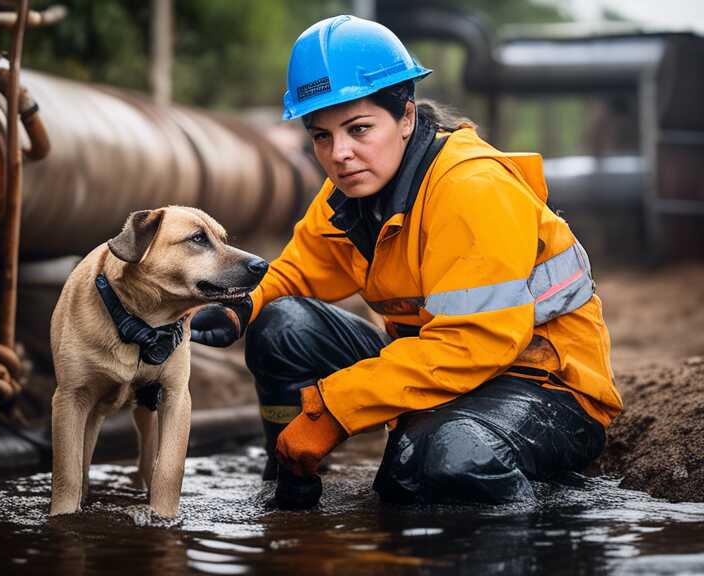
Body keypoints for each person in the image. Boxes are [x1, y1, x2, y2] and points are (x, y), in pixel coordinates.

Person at [189, 15, 623, 508]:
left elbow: (471, 343)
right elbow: (295, 272)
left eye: (358, 129)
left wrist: (330, 411)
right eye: (322, 136)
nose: (340, 154)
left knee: (437, 468)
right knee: (282, 324)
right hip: (439, 368)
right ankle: (291, 487)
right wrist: (239, 307)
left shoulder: (470, 188)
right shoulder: (349, 195)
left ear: (408, 118)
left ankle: (553, 518)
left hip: (543, 386)